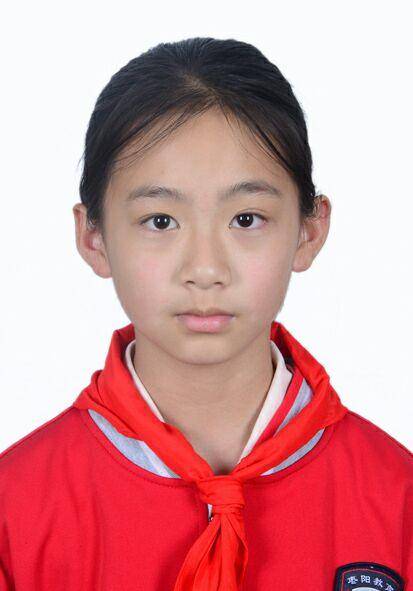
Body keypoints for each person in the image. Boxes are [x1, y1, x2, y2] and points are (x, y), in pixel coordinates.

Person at [0, 37, 411, 591]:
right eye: (160, 221)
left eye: (246, 219)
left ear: (309, 230)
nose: (205, 269)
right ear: (93, 236)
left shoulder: (398, 497)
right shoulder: (14, 510)